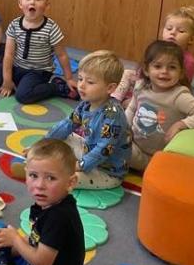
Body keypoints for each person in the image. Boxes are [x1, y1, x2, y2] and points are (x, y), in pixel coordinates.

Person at [0, 0, 78, 104]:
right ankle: (20, 83)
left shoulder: (51, 28)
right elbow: (9, 55)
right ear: (20, 3)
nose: (32, 2)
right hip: (16, 67)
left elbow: (62, 55)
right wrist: (7, 80)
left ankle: (56, 87)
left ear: (46, 5)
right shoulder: (14, 25)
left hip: (38, 71)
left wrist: (69, 78)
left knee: (23, 96)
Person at [45, 50, 131, 189]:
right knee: (59, 137)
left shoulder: (113, 115)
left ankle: (47, 177)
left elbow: (103, 149)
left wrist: (79, 165)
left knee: (70, 179)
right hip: (88, 150)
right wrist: (44, 144)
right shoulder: (86, 103)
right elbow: (68, 124)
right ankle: (47, 167)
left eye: (90, 82)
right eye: (80, 79)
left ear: (110, 88)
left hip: (107, 172)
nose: (81, 85)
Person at [125, 39, 194, 171]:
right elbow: (132, 108)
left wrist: (181, 124)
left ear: (181, 73)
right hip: (135, 144)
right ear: (146, 70)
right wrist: (124, 128)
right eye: (158, 66)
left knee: (113, 149)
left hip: (159, 157)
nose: (164, 71)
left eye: (172, 67)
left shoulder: (179, 96)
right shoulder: (140, 86)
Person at [114, 5, 194, 106]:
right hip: (146, 83)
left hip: (163, 92)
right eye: (169, 28)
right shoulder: (156, 50)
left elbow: (181, 86)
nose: (173, 33)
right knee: (128, 73)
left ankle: (130, 101)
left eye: (181, 31)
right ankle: (114, 100)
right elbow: (143, 71)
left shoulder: (188, 61)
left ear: (191, 39)